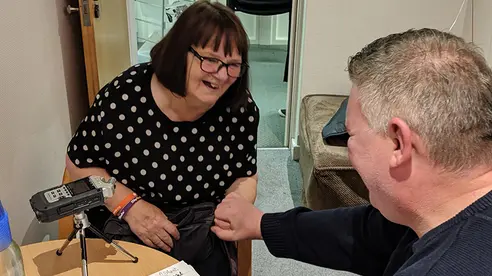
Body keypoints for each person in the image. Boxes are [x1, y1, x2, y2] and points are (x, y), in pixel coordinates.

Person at [212, 28, 492, 275]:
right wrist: (263, 224)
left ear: (399, 143)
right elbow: (369, 234)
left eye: (350, 134)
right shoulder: (435, 210)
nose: (347, 146)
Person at [65, 1, 259, 275]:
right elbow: (79, 164)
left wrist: (236, 205)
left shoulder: (239, 108)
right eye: (210, 60)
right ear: (181, 52)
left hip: (201, 231)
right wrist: (129, 207)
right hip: (125, 223)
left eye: (233, 65)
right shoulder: (126, 94)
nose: (222, 75)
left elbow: (245, 174)